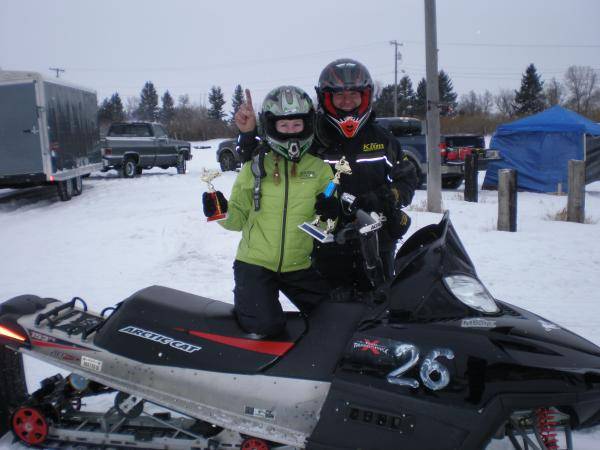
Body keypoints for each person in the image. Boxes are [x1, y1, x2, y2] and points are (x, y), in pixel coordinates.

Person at [235, 59, 418, 293]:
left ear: (366, 96)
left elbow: (407, 178)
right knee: (330, 313)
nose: (347, 101)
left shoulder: (383, 139)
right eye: (339, 96)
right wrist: (248, 134)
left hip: (377, 239)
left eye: (354, 94)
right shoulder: (311, 137)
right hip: (325, 242)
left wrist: (386, 197)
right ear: (325, 98)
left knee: (379, 307)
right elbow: (265, 157)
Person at [203, 86, 337, 337]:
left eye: (296, 125)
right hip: (255, 265)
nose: (290, 131)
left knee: (332, 321)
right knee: (265, 328)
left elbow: (328, 223)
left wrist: (332, 212)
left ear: (308, 125)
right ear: (271, 126)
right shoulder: (254, 167)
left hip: (300, 265)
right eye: (283, 126)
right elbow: (237, 219)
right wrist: (218, 211)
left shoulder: (320, 170)